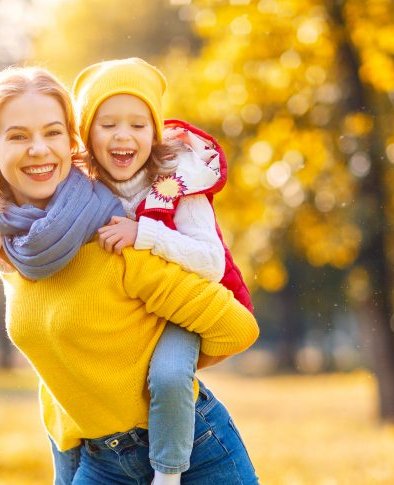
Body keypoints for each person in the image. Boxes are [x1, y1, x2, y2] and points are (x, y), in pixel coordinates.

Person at [0, 65, 260, 484]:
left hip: (195, 454)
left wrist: (164, 373)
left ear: (71, 141)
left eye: (52, 132)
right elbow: (58, 367)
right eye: (19, 136)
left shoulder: (115, 237)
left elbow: (236, 329)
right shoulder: (14, 249)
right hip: (99, 461)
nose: (39, 149)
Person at [74, 58, 254, 485]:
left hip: (183, 308)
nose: (123, 136)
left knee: (170, 375)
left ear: (154, 133)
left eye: (138, 125)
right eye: (108, 124)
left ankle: (168, 474)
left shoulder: (177, 182)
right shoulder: (84, 186)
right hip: (130, 313)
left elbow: (211, 263)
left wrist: (145, 234)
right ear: (86, 134)